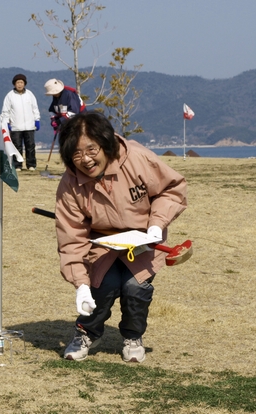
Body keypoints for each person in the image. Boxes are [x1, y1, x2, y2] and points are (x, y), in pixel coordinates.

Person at [55, 111, 187, 363]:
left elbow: (171, 189)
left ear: (106, 143)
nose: (85, 159)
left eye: (91, 149)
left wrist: (157, 225)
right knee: (101, 287)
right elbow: (71, 236)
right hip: (101, 245)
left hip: (143, 241)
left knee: (135, 287)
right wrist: (80, 284)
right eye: (76, 154)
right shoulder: (70, 184)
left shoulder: (137, 158)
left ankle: (133, 336)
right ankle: (87, 332)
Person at [1, 73, 40, 171]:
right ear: (14, 84)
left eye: (21, 82)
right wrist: (6, 123)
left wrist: (37, 120)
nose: (19, 84)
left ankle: (31, 164)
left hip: (29, 126)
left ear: (25, 84)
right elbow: (6, 111)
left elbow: (35, 108)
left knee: (30, 146)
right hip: (16, 126)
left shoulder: (30, 94)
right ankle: (17, 165)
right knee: (17, 146)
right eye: (18, 82)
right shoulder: (10, 96)